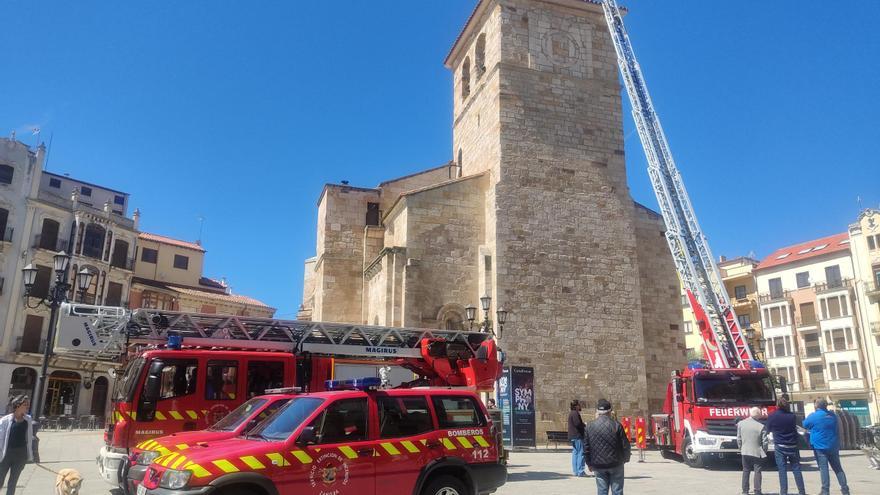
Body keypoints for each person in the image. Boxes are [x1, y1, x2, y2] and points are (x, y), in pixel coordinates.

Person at [583, 399, 630, 495]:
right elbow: (625, 445)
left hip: (598, 464)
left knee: (602, 491)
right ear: (610, 411)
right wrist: (625, 459)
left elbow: (586, 448)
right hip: (616, 463)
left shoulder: (590, 426)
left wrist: (589, 463)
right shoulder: (617, 425)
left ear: (597, 411)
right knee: (617, 491)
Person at [804, 399, 850, 495]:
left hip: (820, 446)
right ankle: (845, 489)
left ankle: (825, 490)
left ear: (816, 406)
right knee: (838, 468)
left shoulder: (814, 416)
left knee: (823, 468)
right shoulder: (832, 415)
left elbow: (805, 424)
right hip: (833, 445)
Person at [765, 398, 805, 495]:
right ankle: (802, 491)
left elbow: (768, 429)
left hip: (780, 445)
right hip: (792, 445)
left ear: (777, 405)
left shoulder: (772, 416)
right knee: (796, 469)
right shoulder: (792, 416)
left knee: (782, 470)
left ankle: (783, 492)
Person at [0, 395, 39, 495]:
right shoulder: (5, 420)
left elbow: (29, 438)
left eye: (28, 405)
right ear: (17, 406)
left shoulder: (28, 420)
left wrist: (30, 455)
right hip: (6, 455)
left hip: (20, 456)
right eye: (25, 405)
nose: (27, 407)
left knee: (13, 482)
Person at [737, 406, 768, 495]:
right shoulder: (761, 426)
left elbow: (738, 438)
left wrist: (741, 448)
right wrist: (764, 451)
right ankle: (757, 491)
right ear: (758, 415)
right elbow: (764, 442)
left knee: (746, 470)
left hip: (745, 451)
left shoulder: (741, 424)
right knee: (757, 471)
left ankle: (745, 491)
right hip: (757, 452)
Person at [568, 399, 586, 477]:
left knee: (575, 453)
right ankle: (580, 471)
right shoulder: (575, 413)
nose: (580, 406)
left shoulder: (571, 413)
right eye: (579, 405)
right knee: (581, 453)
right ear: (576, 406)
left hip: (573, 436)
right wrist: (584, 425)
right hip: (577, 436)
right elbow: (577, 423)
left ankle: (575, 471)